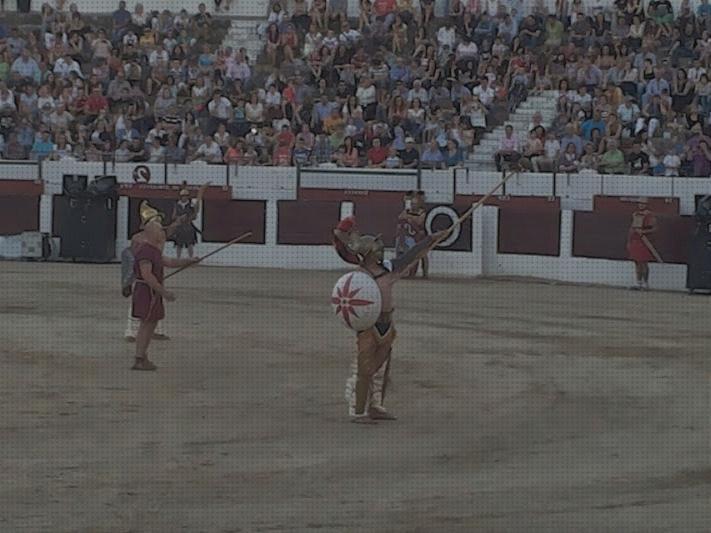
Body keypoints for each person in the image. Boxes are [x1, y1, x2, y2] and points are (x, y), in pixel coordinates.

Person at [333, 219, 449, 423]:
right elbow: (342, 247)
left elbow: (412, 255)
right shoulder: (359, 276)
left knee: (381, 368)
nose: (381, 252)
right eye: (377, 249)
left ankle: (375, 405)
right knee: (364, 368)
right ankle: (359, 411)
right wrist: (343, 230)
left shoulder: (389, 269)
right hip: (368, 325)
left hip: (387, 323)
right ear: (369, 253)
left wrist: (432, 239)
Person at [129, 201, 198, 370]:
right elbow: (147, 275)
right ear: (152, 233)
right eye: (160, 229)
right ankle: (139, 358)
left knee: (150, 323)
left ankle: (142, 356)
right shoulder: (146, 250)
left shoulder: (154, 251)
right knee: (147, 323)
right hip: (147, 291)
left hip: (151, 291)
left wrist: (188, 261)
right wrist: (164, 292)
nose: (163, 232)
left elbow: (170, 261)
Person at [626, 199, 658, 291]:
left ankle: (646, 283)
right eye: (640, 203)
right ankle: (638, 282)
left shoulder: (650, 215)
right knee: (637, 262)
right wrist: (629, 241)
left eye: (643, 204)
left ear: (646, 205)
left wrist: (643, 231)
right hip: (636, 240)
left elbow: (655, 229)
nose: (641, 205)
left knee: (643, 262)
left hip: (645, 240)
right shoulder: (635, 214)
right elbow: (632, 228)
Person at [172, 183, 209, 258]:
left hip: (188, 227)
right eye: (183, 196)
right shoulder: (177, 205)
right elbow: (173, 216)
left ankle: (190, 259)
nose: (184, 198)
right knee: (179, 245)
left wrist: (189, 217)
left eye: (186, 196)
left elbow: (195, 216)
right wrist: (179, 218)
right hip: (179, 227)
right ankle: (178, 259)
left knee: (190, 244)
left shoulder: (191, 205)